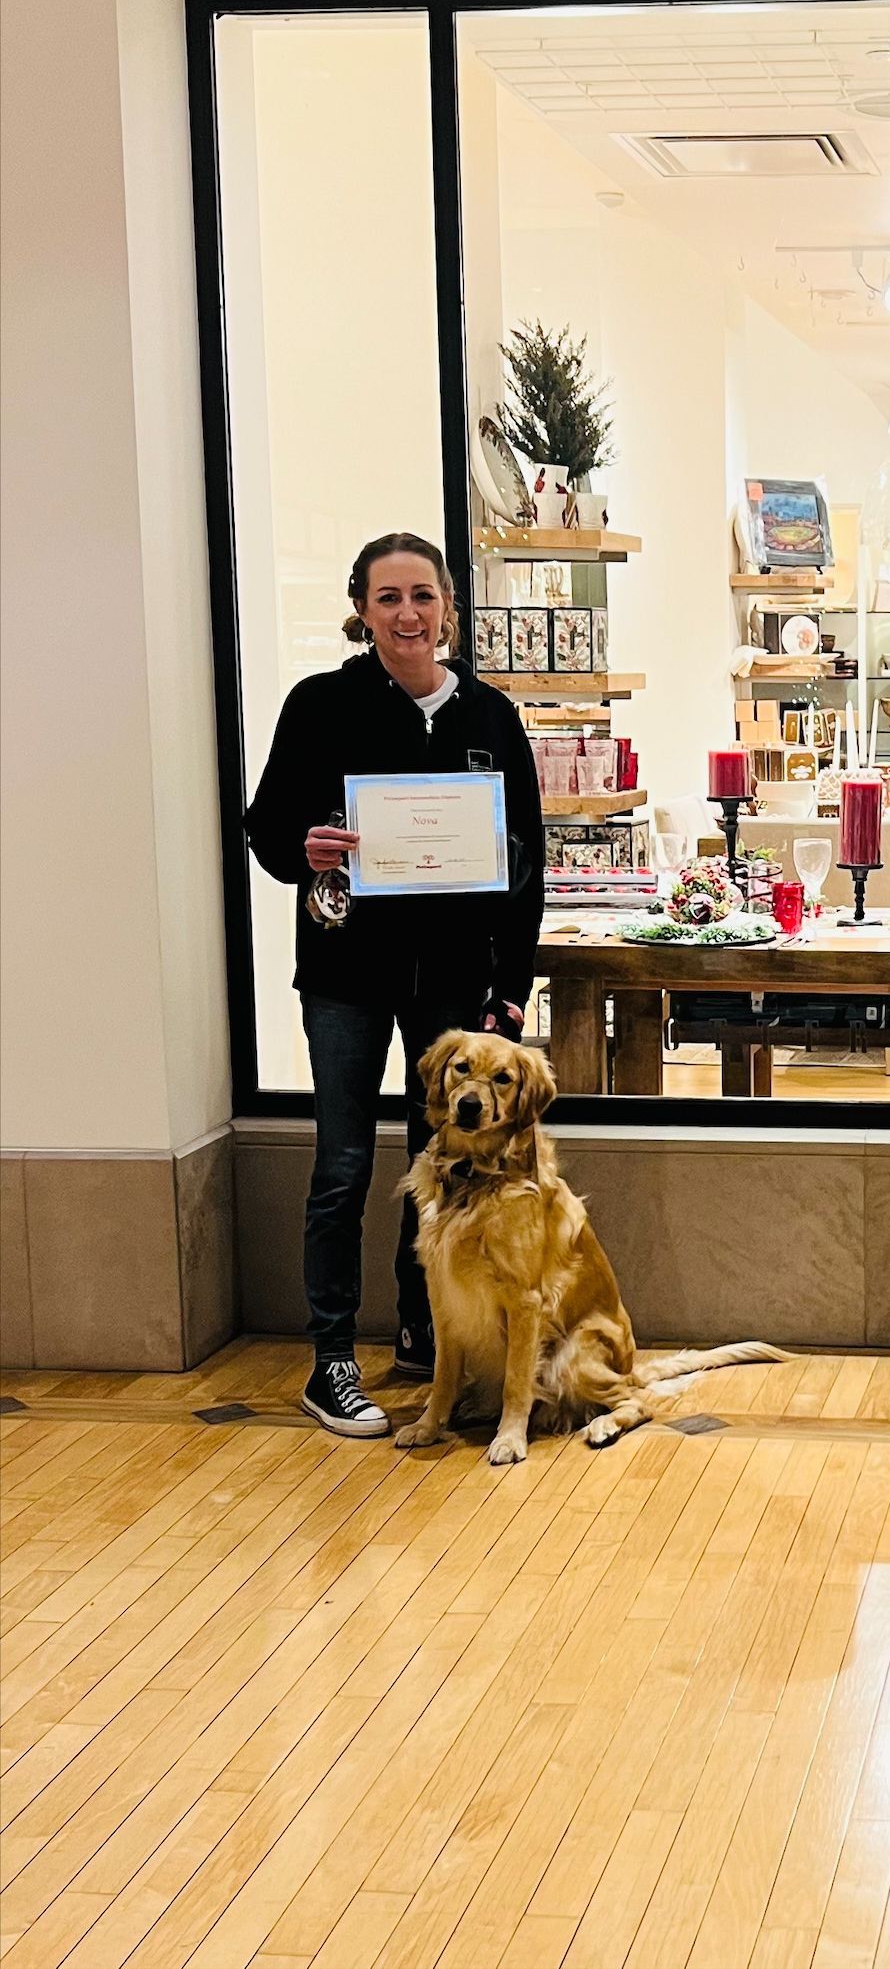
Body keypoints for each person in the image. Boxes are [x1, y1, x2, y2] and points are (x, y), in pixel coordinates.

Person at [246, 531, 545, 1438]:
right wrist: (302, 848)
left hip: (452, 982)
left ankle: (424, 1332)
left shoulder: (490, 716)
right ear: (362, 610)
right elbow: (266, 830)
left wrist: (510, 987)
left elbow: (525, 864)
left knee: (446, 1163)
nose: (407, 614)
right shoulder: (319, 704)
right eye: (388, 598)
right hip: (344, 975)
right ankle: (331, 1359)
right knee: (342, 1166)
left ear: (448, 606)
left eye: (422, 595)